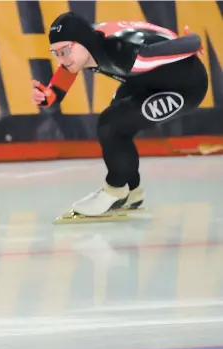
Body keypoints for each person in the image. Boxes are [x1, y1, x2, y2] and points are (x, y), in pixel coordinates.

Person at [32, 12, 207, 217]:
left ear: (83, 42)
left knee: (112, 125)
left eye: (66, 50)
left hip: (186, 87)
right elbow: (68, 67)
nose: (62, 59)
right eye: (56, 53)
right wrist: (52, 95)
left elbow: (187, 42)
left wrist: (189, 41)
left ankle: (115, 189)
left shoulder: (127, 55)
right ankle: (132, 192)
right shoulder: (88, 42)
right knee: (113, 122)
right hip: (145, 81)